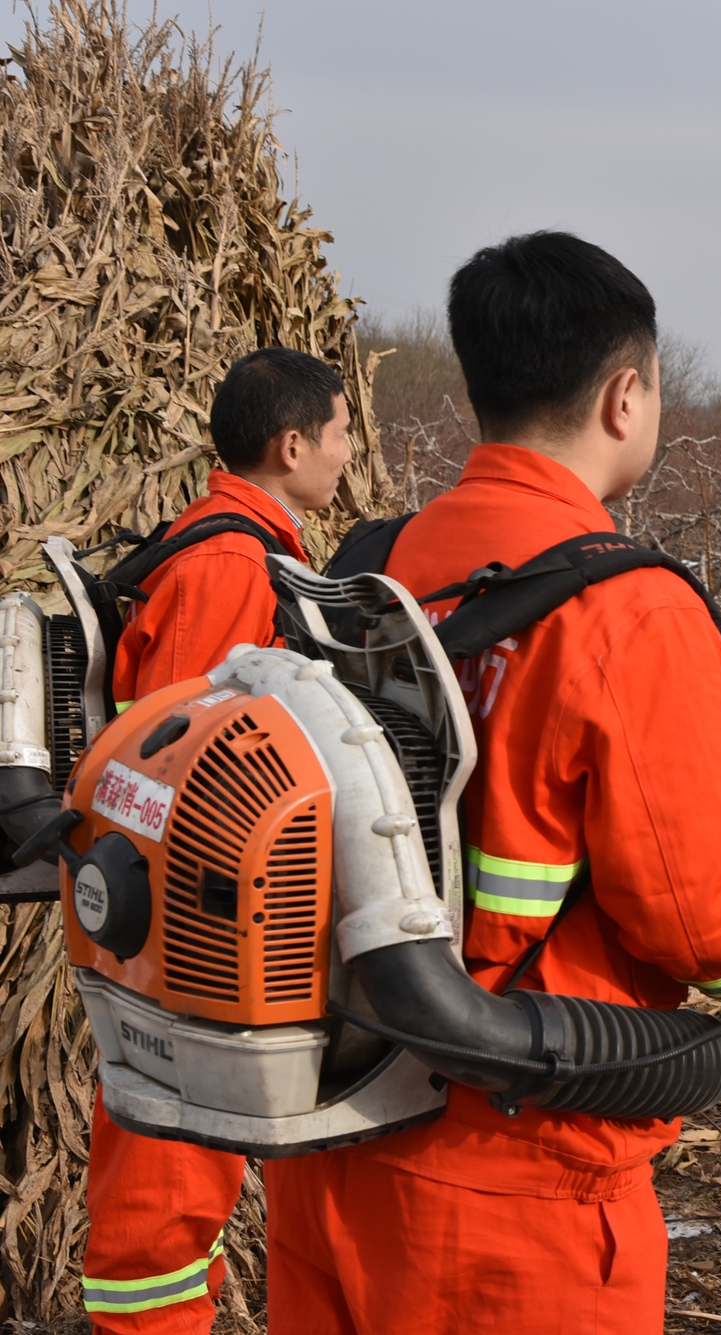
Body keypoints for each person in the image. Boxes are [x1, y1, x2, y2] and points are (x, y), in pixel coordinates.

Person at [261, 233, 721, 1331]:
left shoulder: (379, 570)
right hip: (514, 1183)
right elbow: (703, 918)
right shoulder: (627, 609)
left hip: (333, 1144)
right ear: (625, 396)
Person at [82, 348, 353, 1332]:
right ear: (291, 445)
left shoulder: (218, 542)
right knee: (162, 1192)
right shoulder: (231, 564)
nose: (348, 452)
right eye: (338, 434)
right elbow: (185, 770)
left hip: (170, 924)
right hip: (185, 949)